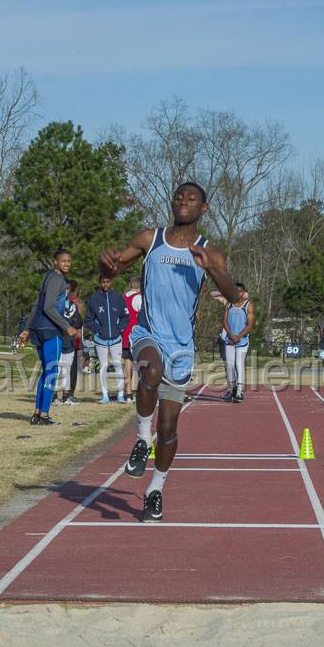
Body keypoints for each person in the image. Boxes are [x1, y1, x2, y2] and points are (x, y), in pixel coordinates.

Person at [99, 182, 238, 522]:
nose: (183, 202)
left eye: (191, 199)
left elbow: (233, 295)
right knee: (151, 371)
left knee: (170, 429)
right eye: (178, 197)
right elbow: (112, 271)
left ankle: (155, 490)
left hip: (182, 345)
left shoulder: (210, 252)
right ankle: (142, 440)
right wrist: (105, 264)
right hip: (148, 332)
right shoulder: (151, 239)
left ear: (203, 208)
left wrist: (214, 269)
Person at [18, 249, 73, 425]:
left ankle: (37, 413)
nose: (67, 264)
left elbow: (36, 304)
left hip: (39, 329)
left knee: (46, 372)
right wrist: (67, 326)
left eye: (69, 261)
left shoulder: (47, 278)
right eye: (63, 261)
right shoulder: (58, 280)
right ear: (55, 262)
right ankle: (44, 416)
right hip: (50, 330)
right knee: (51, 372)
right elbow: (48, 307)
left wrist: (27, 328)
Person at [85, 274, 130, 404]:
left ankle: (121, 395)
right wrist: (98, 330)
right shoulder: (93, 298)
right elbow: (88, 320)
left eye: (108, 281)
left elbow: (125, 317)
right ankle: (105, 395)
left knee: (117, 365)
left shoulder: (118, 297)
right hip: (100, 340)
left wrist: (119, 328)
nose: (105, 284)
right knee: (103, 366)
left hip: (116, 339)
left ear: (111, 282)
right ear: (100, 283)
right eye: (103, 282)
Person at [221, 283, 253, 402]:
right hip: (229, 340)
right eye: (236, 291)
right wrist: (231, 335)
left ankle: (239, 392)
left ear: (244, 292)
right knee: (229, 366)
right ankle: (231, 390)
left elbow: (249, 325)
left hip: (242, 341)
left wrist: (238, 336)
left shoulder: (248, 306)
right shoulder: (229, 304)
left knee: (239, 365)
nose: (238, 293)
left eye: (240, 291)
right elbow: (224, 321)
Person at [54, 279, 83, 406]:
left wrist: (68, 323)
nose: (65, 292)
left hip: (69, 342)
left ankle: (66, 396)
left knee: (67, 369)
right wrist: (66, 323)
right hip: (58, 340)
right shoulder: (54, 304)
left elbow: (78, 321)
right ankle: (54, 397)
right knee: (57, 369)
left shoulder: (72, 305)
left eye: (67, 289)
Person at [121, 276, 143, 402]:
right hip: (136, 335)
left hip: (125, 334)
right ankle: (141, 391)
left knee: (127, 363)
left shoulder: (123, 298)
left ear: (130, 284)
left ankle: (128, 393)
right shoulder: (138, 298)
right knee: (141, 363)